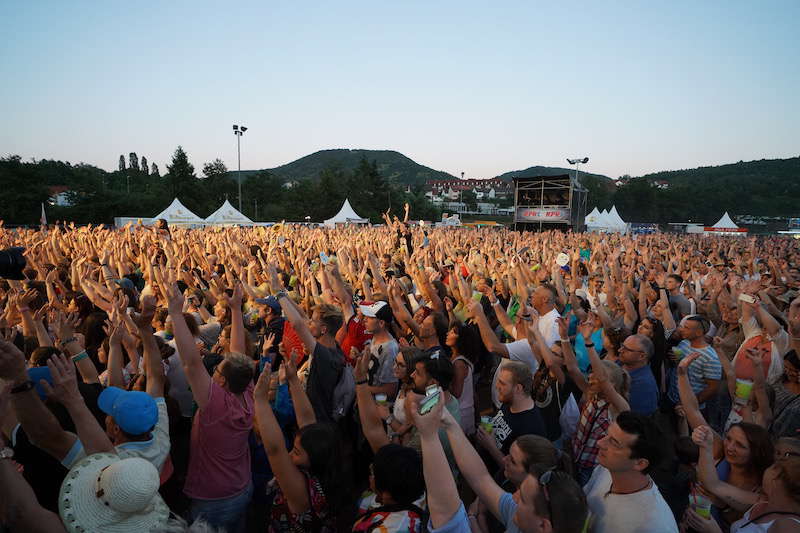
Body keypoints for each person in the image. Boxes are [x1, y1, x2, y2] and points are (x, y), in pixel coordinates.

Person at [163, 276, 255, 533]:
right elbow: (238, 355)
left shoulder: (216, 405)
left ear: (222, 380)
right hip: (241, 487)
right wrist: (236, 310)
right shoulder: (247, 391)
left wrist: (176, 314)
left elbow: (191, 363)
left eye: (216, 372)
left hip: (213, 499)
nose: (212, 373)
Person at [689, 427, 800, 533]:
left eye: (774, 466)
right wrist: (705, 446)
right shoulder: (763, 501)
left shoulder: (790, 527)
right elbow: (714, 485)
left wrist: (714, 531)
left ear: (778, 479)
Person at [583, 411, 679, 533]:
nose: (600, 443)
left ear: (640, 463)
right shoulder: (607, 469)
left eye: (614, 442)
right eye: (607, 435)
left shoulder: (655, 526)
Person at [477, 361, 546, 468]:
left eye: (502, 383)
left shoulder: (531, 428)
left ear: (518, 388)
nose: (496, 386)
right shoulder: (509, 401)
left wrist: (491, 446)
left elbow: (518, 471)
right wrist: (486, 428)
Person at [446, 322, 478, 435]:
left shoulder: (459, 364)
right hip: (465, 411)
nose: (448, 333)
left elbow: (456, 393)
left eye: (453, 332)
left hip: (460, 413)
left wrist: (440, 382)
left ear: (461, 339)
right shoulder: (459, 359)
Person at [618, 334, 659, 416]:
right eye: (622, 346)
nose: (620, 350)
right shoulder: (621, 362)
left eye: (626, 349)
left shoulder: (644, 386)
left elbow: (633, 420)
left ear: (642, 356)